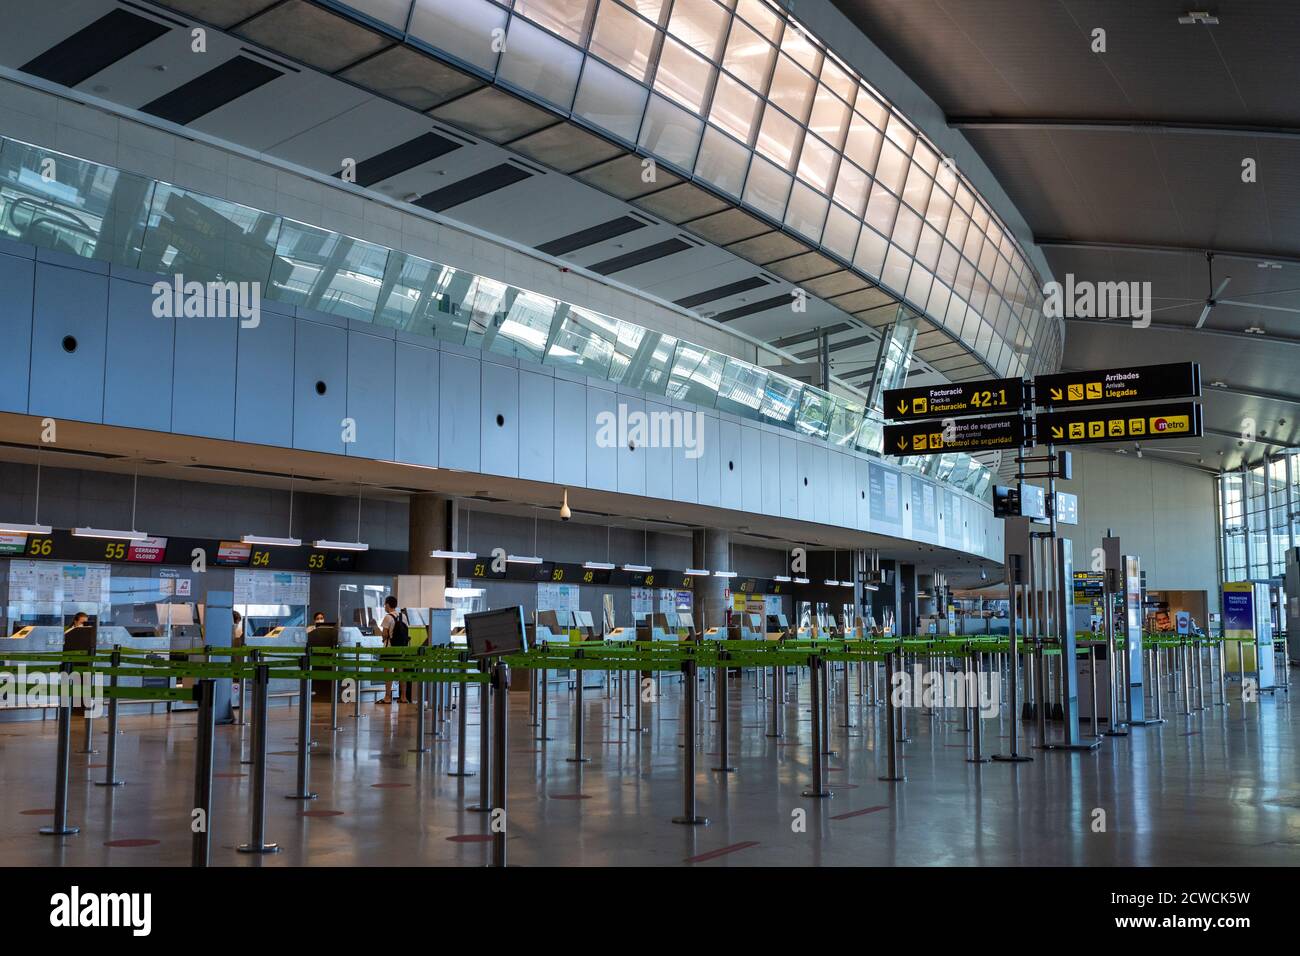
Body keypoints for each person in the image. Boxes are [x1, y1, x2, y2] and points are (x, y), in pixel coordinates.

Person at [379, 596, 411, 704]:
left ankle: (387, 697)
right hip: (401, 649)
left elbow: (384, 634)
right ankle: (403, 697)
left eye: (384, 604)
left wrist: (383, 638)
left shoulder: (388, 617)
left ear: (388, 604)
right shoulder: (404, 616)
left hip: (389, 649)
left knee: (388, 672)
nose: (384, 606)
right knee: (401, 671)